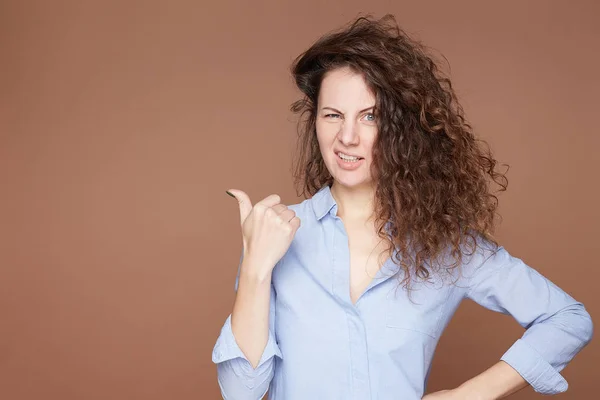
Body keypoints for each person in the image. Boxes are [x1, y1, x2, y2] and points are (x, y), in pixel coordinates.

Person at [211, 14, 593, 400]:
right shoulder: (276, 234)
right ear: (315, 122)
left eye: (370, 116)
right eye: (333, 115)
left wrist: (472, 394)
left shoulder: (447, 245)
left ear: (403, 129)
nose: (347, 137)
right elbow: (240, 392)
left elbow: (567, 320)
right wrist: (256, 267)